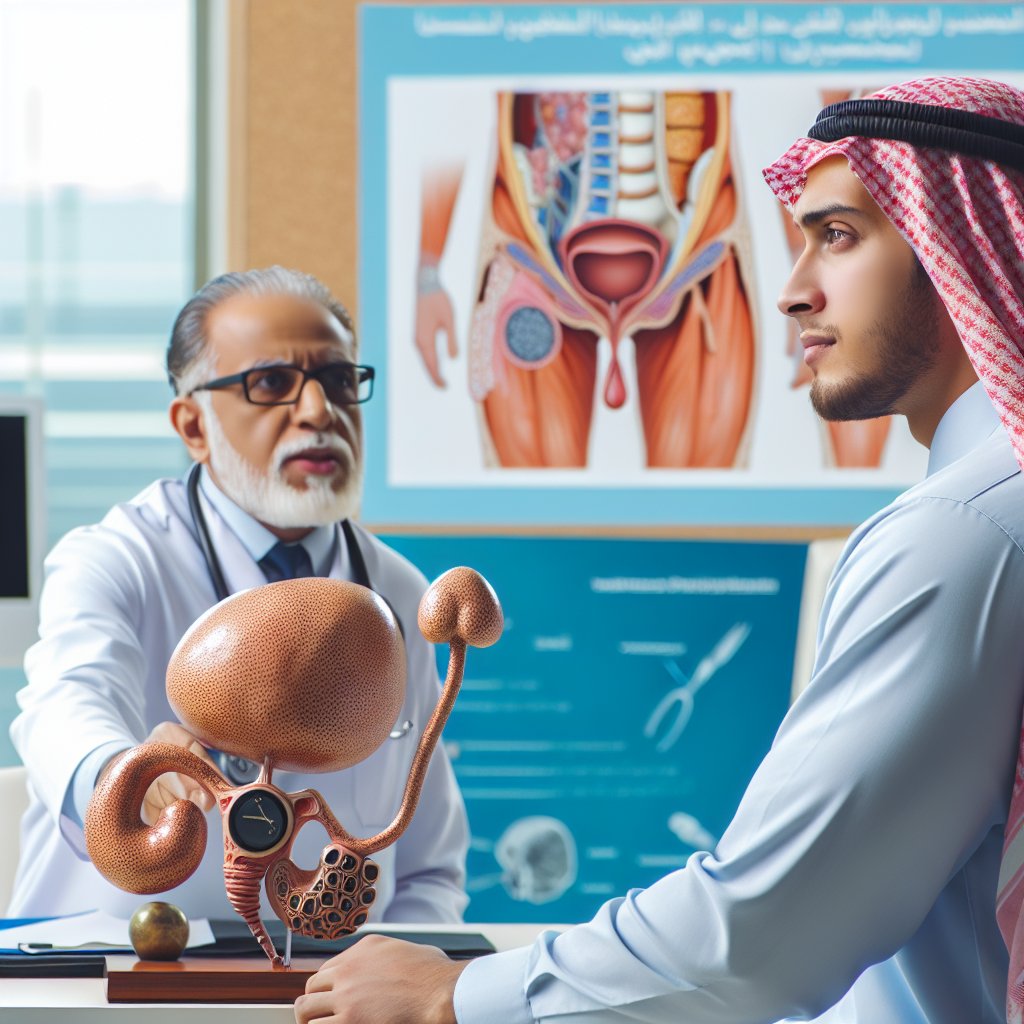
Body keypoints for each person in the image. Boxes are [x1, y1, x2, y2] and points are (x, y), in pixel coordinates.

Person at [293, 77, 1024, 1024]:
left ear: (961, 240)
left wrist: (452, 996)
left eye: (837, 236)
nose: (795, 291)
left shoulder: (966, 528)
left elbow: (764, 934)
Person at [8, 267, 469, 925]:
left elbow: (427, 870)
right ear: (193, 425)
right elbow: (63, 707)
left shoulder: (398, 594)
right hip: (115, 976)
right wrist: (128, 773)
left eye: (339, 380)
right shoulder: (117, 559)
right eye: (272, 383)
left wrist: (403, 977)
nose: (319, 412)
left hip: (336, 998)